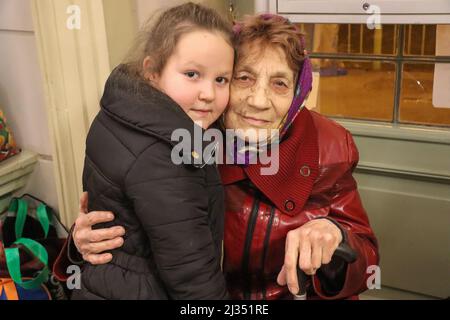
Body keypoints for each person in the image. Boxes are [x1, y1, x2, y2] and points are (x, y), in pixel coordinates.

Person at [55, 13, 379, 300]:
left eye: (279, 84)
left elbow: (366, 262)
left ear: (297, 93)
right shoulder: (183, 140)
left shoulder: (328, 144)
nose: (258, 101)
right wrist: (82, 245)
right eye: (244, 78)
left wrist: (336, 239)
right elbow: (137, 242)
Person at [67, 2, 235, 300]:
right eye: (192, 74)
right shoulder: (168, 155)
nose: (208, 93)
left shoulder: (124, 111)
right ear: (152, 72)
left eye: (221, 79)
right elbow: (193, 278)